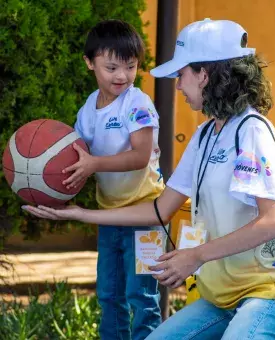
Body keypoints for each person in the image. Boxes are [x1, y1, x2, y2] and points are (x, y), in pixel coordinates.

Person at [23, 19, 275, 340]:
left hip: (270, 290)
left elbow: (272, 223)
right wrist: (79, 214)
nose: (177, 86)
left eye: (181, 75)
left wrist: (196, 255)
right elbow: (159, 210)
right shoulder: (204, 135)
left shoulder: (252, 130)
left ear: (205, 74)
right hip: (220, 297)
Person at [56, 20, 164, 340]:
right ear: (89, 63)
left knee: (142, 297)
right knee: (109, 294)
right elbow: (79, 158)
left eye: (130, 67)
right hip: (109, 215)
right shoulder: (88, 109)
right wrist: (70, 178)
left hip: (147, 215)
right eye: (112, 67)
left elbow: (141, 155)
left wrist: (92, 165)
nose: (122, 76)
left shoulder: (138, 104)